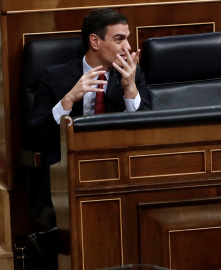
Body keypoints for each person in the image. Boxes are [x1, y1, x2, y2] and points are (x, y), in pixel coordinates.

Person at [23, 8, 151, 268]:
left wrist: (130, 91)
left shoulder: (132, 74)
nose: (128, 47)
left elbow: (148, 132)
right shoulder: (56, 77)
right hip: (67, 171)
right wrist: (68, 100)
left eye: (127, 38)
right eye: (119, 39)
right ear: (95, 41)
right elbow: (34, 136)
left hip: (119, 170)